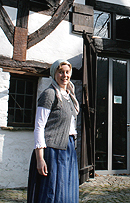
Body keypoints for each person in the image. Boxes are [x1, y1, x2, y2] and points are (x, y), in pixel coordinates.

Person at [27, 59, 80, 203]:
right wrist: (40, 158)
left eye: (67, 72)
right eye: (60, 72)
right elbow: (39, 127)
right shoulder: (49, 94)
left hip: (68, 148)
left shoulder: (69, 96)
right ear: (54, 73)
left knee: (67, 193)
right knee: (53, 193)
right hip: (52, 151)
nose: (64, 75)